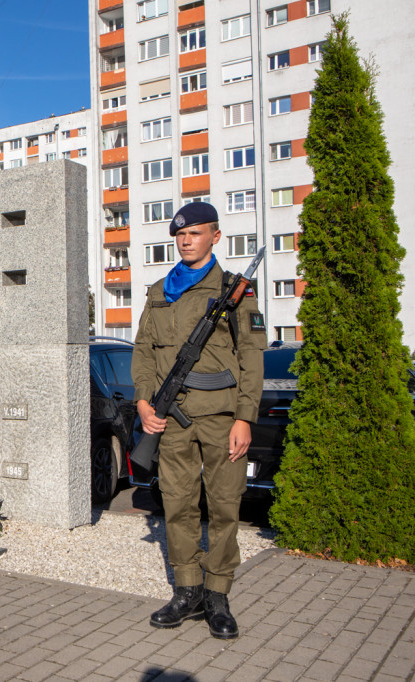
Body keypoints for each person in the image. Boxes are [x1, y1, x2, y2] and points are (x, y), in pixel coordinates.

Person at [131, 201, 264, 639]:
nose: (186, 240)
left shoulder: (233, 291)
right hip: (171, 422)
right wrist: (145, 402)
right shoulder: (158, 291)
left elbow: (251, 357)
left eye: (195, 233)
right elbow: (144, 352)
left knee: (224, 507)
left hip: (222, 419)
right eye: (180, 235)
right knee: (177, 504)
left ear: (215, 236)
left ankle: (218, 595)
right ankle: (187, 591)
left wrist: (245, 417)